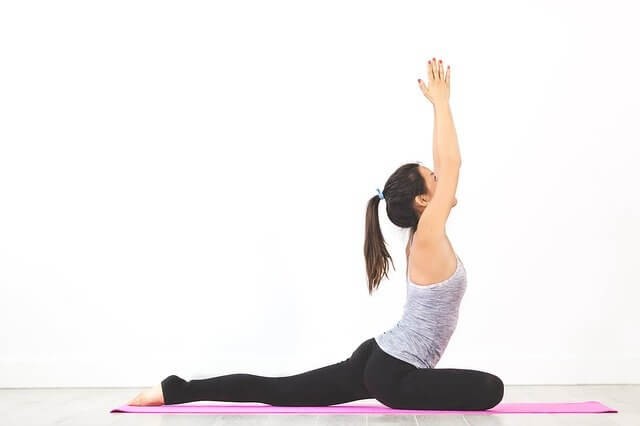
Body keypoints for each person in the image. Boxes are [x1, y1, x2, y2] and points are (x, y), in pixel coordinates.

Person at [128, 57, 504, 410]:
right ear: (424, 201)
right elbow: (452, 162)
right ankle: (177, 390)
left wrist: (439, 110)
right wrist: (441, 103)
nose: (442, 177)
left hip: (380, 357)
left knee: (280, 391)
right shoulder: (426, 237)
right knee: (491, 389)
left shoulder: (426, 235)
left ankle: (175, 390)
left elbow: (446, 165)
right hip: (394, 373)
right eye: (434, 178)